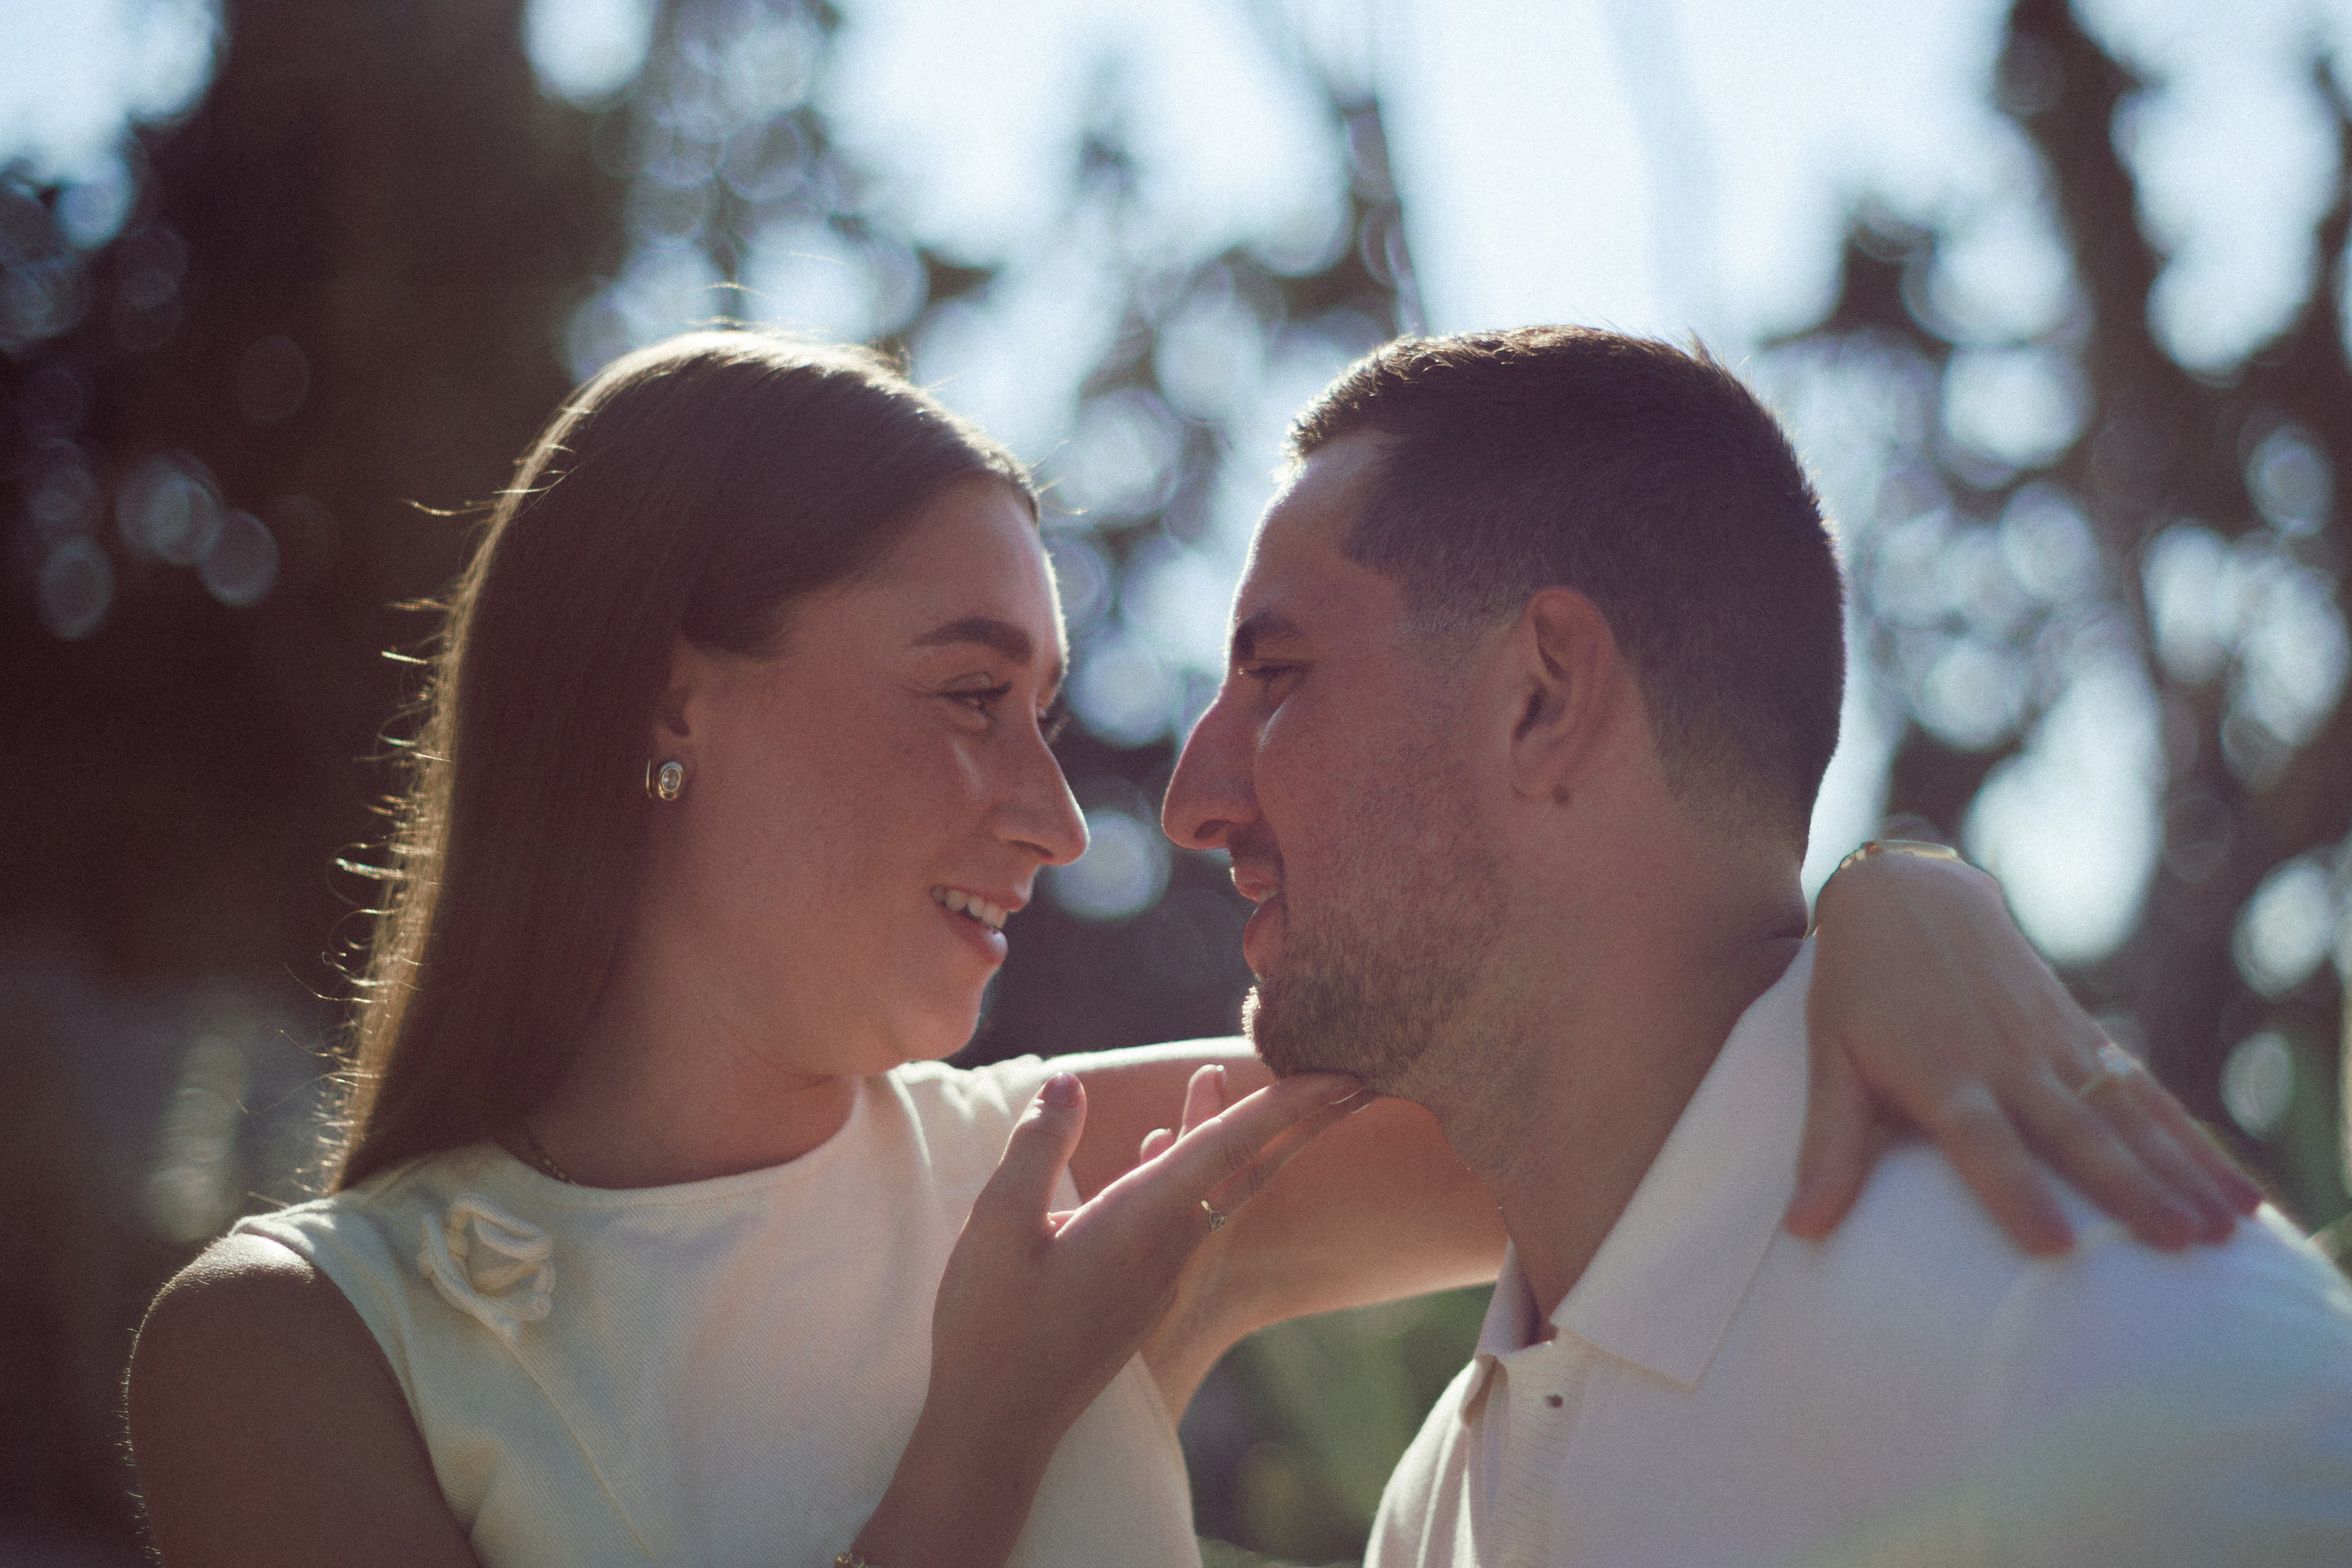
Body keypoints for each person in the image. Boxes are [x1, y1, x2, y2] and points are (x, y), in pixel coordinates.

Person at [126, 332, 2250, 1568]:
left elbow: (1626, 1008)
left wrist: (1900, 891)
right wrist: (979, 1445)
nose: (1061, 817)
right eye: (972, 694)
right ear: (667, 699)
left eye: (1050, 713)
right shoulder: (298, 1352)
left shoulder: (1092, 1187)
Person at [1161, 324, 2352, 1568]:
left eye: (1280, 676)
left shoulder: (2082, 1330)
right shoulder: (1440, 1501)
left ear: (1543, 698)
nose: (1193, 795)